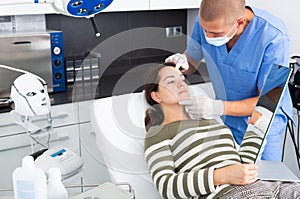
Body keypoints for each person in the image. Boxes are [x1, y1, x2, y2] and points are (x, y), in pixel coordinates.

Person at [143, 64, 300, 199]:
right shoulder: (158, 133)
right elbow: (167, 187)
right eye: (171, 81)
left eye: (182, 79)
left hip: (266, 186)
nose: (181, 84)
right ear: (156, 96)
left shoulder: (212, 122)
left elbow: (241, 166)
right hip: (226, 193)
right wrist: (220, 175)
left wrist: (257, 130)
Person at [165, 0, 294, 161]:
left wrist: (217, 107)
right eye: (205, 31)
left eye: (216, 34)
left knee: (264, 179)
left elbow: (268, 101)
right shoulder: (207, 22)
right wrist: (182, 61)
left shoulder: (274, 37)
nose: (208, 37)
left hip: (262, 123)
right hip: (227, 120)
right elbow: (192, 60)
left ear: (240, 22)